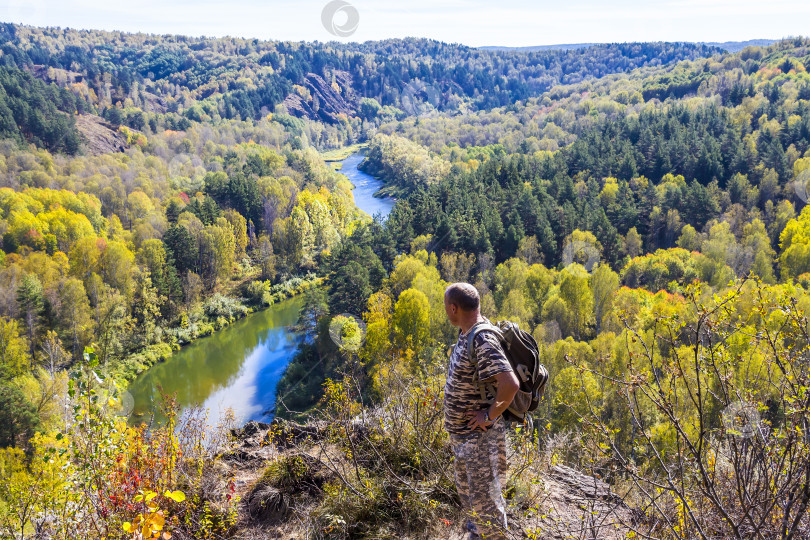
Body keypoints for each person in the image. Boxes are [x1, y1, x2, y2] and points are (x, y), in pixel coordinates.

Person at [443, 282, 519, 540]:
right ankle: (477, 535)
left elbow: (510, 384)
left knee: (487, 506)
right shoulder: (467, 331)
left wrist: (488, 416)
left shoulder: (482, 339)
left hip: (479, 442)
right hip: (464, 440)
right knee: (472, 499)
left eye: (446, 307)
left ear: (454, 308)